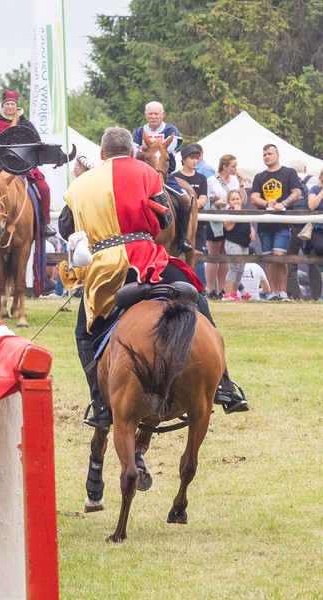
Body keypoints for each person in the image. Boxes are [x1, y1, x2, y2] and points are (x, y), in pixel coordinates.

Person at [59, 127, 248, 429]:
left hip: (105, 267)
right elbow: (164, 218)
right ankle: (224, 384)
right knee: (196, 297)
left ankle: (100, 402)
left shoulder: (80, 184)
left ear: (102, 154)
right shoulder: (148, 174)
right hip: (148, 258)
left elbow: (65, 226)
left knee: (85, 331)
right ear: (133, 152)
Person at [0, 90, 56, 237]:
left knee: (44, 189)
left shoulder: (26, 124)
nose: (10, 107)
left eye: (12, 104)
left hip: (23, 167)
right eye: (7, 104)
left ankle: (44, 224)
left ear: (17, 106)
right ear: (3, 106)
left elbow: (35, 145)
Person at [132, 101, 192, 253]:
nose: (153, 117)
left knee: (185, 199)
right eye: (150, 114)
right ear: (146, 115)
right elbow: (132, 151)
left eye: (156, 114)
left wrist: (154, 147)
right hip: (142, 177)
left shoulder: (171, 130)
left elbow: (172, 147)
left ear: (162, 114)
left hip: (166, 176)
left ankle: (182, 238)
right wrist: (140, 151)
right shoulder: (138, 132)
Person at [249, 144, 302, 301]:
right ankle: (273, 292)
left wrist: (283, 204)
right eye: (264, 154)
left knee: (279, 256)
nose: (267, 156)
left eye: (270, 153)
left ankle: (283, 292)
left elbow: (297, 193)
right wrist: (267, 203)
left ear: (277, 155)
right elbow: (253, 198)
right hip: (265, 223)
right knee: (269, 259)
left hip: (283, 223)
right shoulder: (259, 177)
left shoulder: (289, 173)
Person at [206, 154, 247, 299]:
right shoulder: (211, 180)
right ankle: (210, 289)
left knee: (225, 256)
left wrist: (241, 184)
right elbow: (208, 199)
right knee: (214, 255)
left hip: (231, 221)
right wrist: (216, 199)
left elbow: (243, 200)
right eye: (233, 166)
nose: (235, 169)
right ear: (225, 166)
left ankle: (223, 288)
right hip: (216, 221)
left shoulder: (235, 181)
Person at [285, 161, 322, 301]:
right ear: (305, 168)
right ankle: (317, 296)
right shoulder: (313, 180)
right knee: (313, 262)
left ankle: (294, 295)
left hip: (292, 224)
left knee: (291, 261)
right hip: (310, 226)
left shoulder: (288, 179)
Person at [173, 144, 209, 285]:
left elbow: (204, 197)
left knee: (197, 253)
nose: (194, 161)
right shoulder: (175, 177)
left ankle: (200, 285)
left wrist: (198, 202)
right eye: (191, 158)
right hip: (179, 221)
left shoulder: (201, 178)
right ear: (183, 159)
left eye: (196, 158)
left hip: (196, 221)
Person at [221, 190, 255, 301]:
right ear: (229, 202)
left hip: (244, 243)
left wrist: (252, 231)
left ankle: (234, 293)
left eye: (237, 199)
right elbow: (228, 227)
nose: (236, 201)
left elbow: (248, 223)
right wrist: (235, 214)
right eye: (233, 199)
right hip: (233, 242)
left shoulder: (244, 211)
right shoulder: (229, 212)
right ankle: (227, 294)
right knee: (234, 268)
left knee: (240, 269)